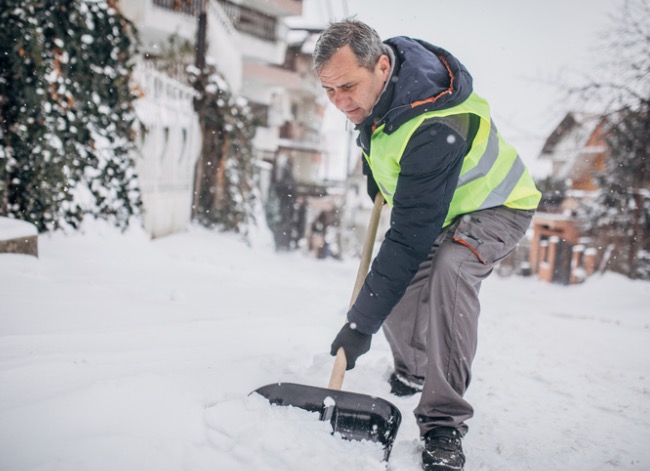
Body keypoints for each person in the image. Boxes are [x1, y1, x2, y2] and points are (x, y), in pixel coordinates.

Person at [313, 20, 541, 471]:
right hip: (444, 209)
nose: (340, 102)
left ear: (381, 66)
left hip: (498, 206)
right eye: (329, 90)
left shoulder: (437, 122)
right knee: (398, 301)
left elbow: (410, 235)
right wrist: (373, 175)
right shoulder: (381, 89)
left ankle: (444, 423)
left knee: (449, 272)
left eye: (348, 87)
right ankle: (413, 368)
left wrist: (359, 326)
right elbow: (381, 141)